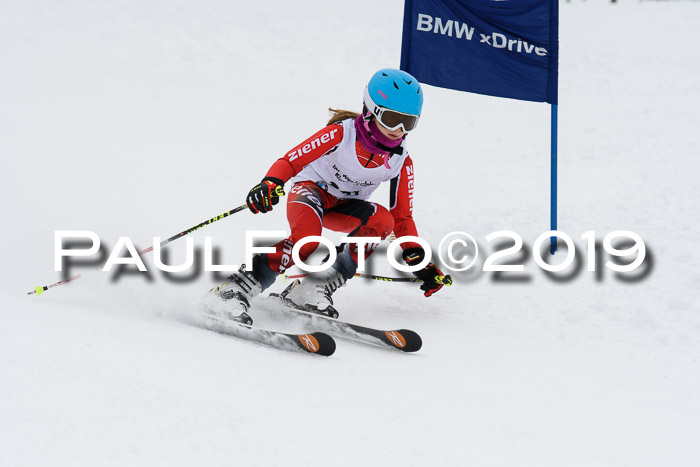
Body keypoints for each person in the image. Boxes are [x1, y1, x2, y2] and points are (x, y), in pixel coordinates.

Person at [211, 68, 452, 324]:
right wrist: (271, 183)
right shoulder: (342, 134)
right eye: (392, 119)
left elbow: (402, 217)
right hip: (310, 192)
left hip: (344, 206)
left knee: (382, 221)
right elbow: (291, 160)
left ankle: (313, 287)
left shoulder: (400, 161)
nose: (399, 129)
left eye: (409, 122)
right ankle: (235, 289)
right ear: (371, 110)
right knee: (307, 241)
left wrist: (418, 259)